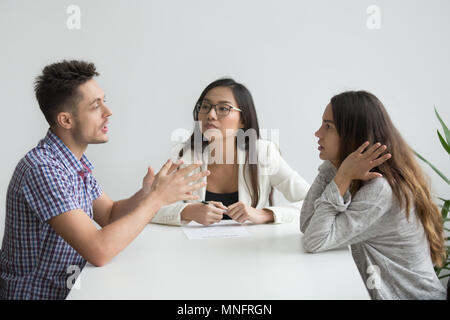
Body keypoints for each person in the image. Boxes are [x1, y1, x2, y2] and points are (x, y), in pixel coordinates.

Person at [0, 60, 208, 300]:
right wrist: (157, 199)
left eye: (104, 102)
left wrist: (149, 193)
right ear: (66, 120)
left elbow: (109, 214)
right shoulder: (43, 169)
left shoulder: (74, 163)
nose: (108, 112)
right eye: (95, 106)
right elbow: (99, 250)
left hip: (74, 288)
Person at [300, 90, 446, 299]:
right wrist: (335, 168)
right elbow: (307, 225)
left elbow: (314, 241)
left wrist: (341, 176)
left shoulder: (381, 190)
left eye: (328, 126)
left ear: (352, 136)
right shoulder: (359, 178)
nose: (318, 133)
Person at [151, 78, 310, 226]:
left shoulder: (263, 153)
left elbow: (312, 202)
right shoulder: (185, 155)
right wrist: (187, 212)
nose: (211, 115)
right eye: (205, 107)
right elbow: (148, 207)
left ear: (243, 120)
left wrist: (265, 214)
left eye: (223, 108)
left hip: (250, 250)